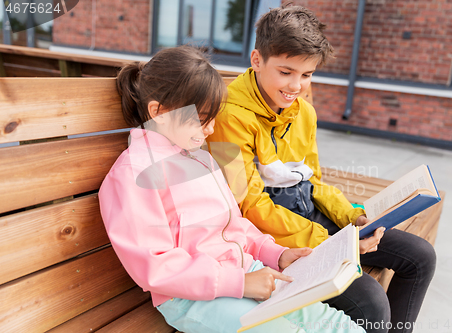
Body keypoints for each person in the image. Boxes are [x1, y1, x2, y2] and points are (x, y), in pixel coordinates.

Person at [98, 46, 365, 333]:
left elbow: (235, 225)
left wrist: (276, 254)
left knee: (342, 327)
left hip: (246, 271)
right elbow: (156, 266)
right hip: (192, 298)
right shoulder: (133, 174)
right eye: (202, 118)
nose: (211, 130)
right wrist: (240, 283)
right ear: (159, 112)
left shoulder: (202, 158)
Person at [206, 5, 436, 333]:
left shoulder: (304, 113)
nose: (296, 86)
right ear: (256, 60)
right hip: (273, 235)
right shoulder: (230, 116)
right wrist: (332, 244)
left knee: (420, 256)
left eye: (307, 74)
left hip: (311, 218)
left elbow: (314, 181)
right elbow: (249, 207)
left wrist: (352, 217)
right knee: (371, 302)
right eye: (285, 72)